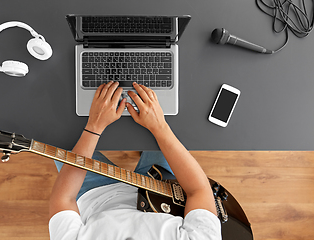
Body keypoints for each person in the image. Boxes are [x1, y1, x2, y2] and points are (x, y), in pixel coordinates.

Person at [49, 81, 221, 240]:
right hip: (162, 190)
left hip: (94, 194)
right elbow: (198, 190)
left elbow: (64, 198)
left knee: (57, 130)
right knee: (173, 117)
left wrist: (94, 127)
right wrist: (159, 127)